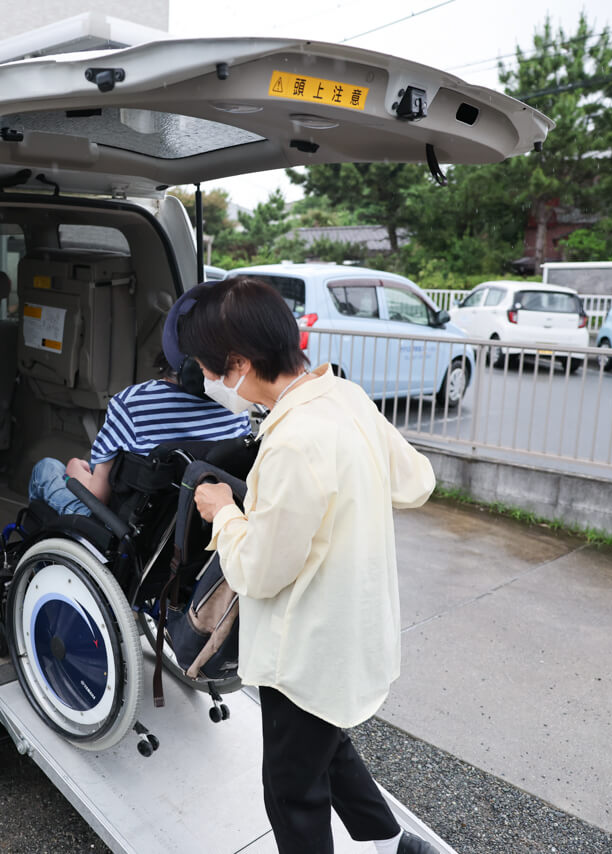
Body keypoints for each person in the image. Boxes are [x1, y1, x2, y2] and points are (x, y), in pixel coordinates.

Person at [179, 276, 439, 854]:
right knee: (323, 742)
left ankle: (390, 843)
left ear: (240, 363)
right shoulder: (344, 396)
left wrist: (223, 511)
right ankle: (392, 842)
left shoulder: (293, 441)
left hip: (306, 648)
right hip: (354, 627)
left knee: (292, 792)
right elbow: (416, 481)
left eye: (208, 369)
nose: (208, 382)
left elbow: (256, 571)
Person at [28, 347, 251, 517]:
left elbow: (98, 495)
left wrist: (75, 470)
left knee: (47, 468)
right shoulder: (238, 410)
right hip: (190, 528)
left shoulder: (131, 403)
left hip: (121, 528)